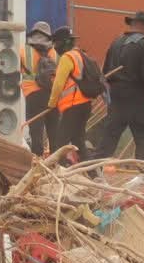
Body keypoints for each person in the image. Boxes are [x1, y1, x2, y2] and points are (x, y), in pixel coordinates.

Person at [94, 10, 144, 161]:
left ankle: (95, 171)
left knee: (109, 136)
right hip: (136, 97)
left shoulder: (115, 42)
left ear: (132, 24)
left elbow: (105, 72)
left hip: (116, 97)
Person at [47, 26, 93, 161]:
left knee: (60, 143)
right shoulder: (81, 55)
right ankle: (94, 174)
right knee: (78, 142)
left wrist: (52, 103)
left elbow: (58, 84)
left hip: (73, 106)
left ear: (63, 43)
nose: (55, 46)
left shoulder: (67, 58)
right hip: (85, 105)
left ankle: (58, 173)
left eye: (56, 43)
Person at [22, 21, 59, 155]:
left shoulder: (24, 51)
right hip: (53, 96)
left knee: (36, 132)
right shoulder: (55, 53)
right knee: (54, 132)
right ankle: (57, 165)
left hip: (33, 96)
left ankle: (37, 163)